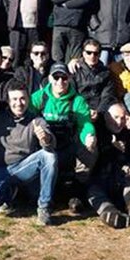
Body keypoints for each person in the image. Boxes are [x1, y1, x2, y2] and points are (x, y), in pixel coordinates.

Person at [0, 80, 58, 225]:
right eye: (14, 99)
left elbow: (51, 145)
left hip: (25, 169)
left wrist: (45, 138)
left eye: (22, 98)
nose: (19, 103)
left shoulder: (36, 120)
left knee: (49, 156)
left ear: (28, 99)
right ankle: (10, 194)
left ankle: (44, 207)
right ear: (8, 101)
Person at [30, 63, 97, 197]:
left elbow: (85, 123)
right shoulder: (39, 97)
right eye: (56, 77)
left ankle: (78, 188)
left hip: (69, 143)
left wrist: (89, 136)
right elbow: (27, 116)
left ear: (69, 78)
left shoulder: (77, 100)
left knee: (91, 151)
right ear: (50, 78)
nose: (60, 82)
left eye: (64, 78)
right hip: (45, 144)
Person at [85, 103, 130, 229]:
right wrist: (112, 147)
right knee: (94, 191)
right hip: (100, 177)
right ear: (107, 117)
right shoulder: (97, 131)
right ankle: (110, 213)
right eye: (116, 117)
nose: (119, 122)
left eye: (122, 118)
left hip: (122, 179)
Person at [71, 39, 118, 117]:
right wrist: (83, 110)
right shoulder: (74, 70)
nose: (92, 56)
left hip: (99, 111)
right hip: (79, 111)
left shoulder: (106, 73)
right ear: (83, 53)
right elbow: (71, 94)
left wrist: (98, 112)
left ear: (100, 55)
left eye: (96, 53)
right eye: (89, 53)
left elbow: (107, 96)